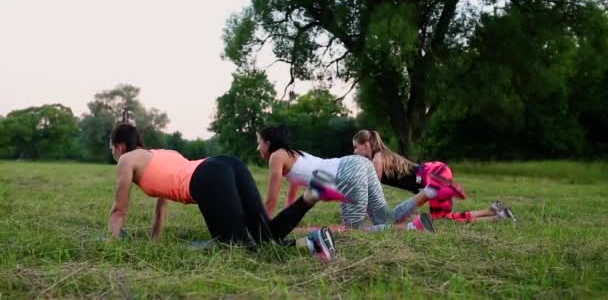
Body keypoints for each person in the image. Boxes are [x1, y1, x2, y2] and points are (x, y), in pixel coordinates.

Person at [106, 123, 346, 260]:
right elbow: (162, 203)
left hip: (208, 178)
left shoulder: (126, 160)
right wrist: (154, 240)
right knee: (264, 233)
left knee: (238, 247)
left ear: (119, 146)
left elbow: (119, 210)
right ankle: (312, 199)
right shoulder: (160, 153)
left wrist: (111, 245)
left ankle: (309, 239)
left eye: (112, 148)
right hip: (227, 163)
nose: (114, 154)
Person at [257, 125, 435, 232]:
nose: (258, 148)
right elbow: (292, 196)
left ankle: (412, 227)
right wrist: (289, 219)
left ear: (268, 143)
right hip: (360, 164)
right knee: (385, 218)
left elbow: (271, 200)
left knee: (353, 231)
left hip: (347, 171)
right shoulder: (293, 154)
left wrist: (262, 229)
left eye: (259, 142)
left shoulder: (276, 157)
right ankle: (428, 191)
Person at [352, 129, 517, 223]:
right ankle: (496, 213)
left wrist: (363, 213)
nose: (354, 152)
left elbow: (374, 191)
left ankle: (442, 187)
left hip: (431, 175)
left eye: (356, 147)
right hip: (434, 172)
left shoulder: (377, 159)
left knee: (442, 221)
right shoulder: (382, 155)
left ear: (366, 145)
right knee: (445, 219)